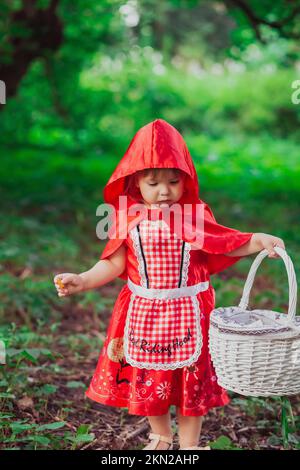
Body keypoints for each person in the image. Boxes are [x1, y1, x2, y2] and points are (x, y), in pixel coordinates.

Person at [53, 119, 285, 451]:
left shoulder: (194, 213)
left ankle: (190, 444)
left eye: (174, 181)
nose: (164, 191)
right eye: (154, 183)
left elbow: (224, 242)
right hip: (144, 311)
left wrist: (257, 240)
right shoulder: (126, 217)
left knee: (191, 379)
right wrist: (83, 280)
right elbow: (114, 262)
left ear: (186, 179)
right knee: (150, 377)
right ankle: (160, 437)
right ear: (135, 182)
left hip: (189, 311)